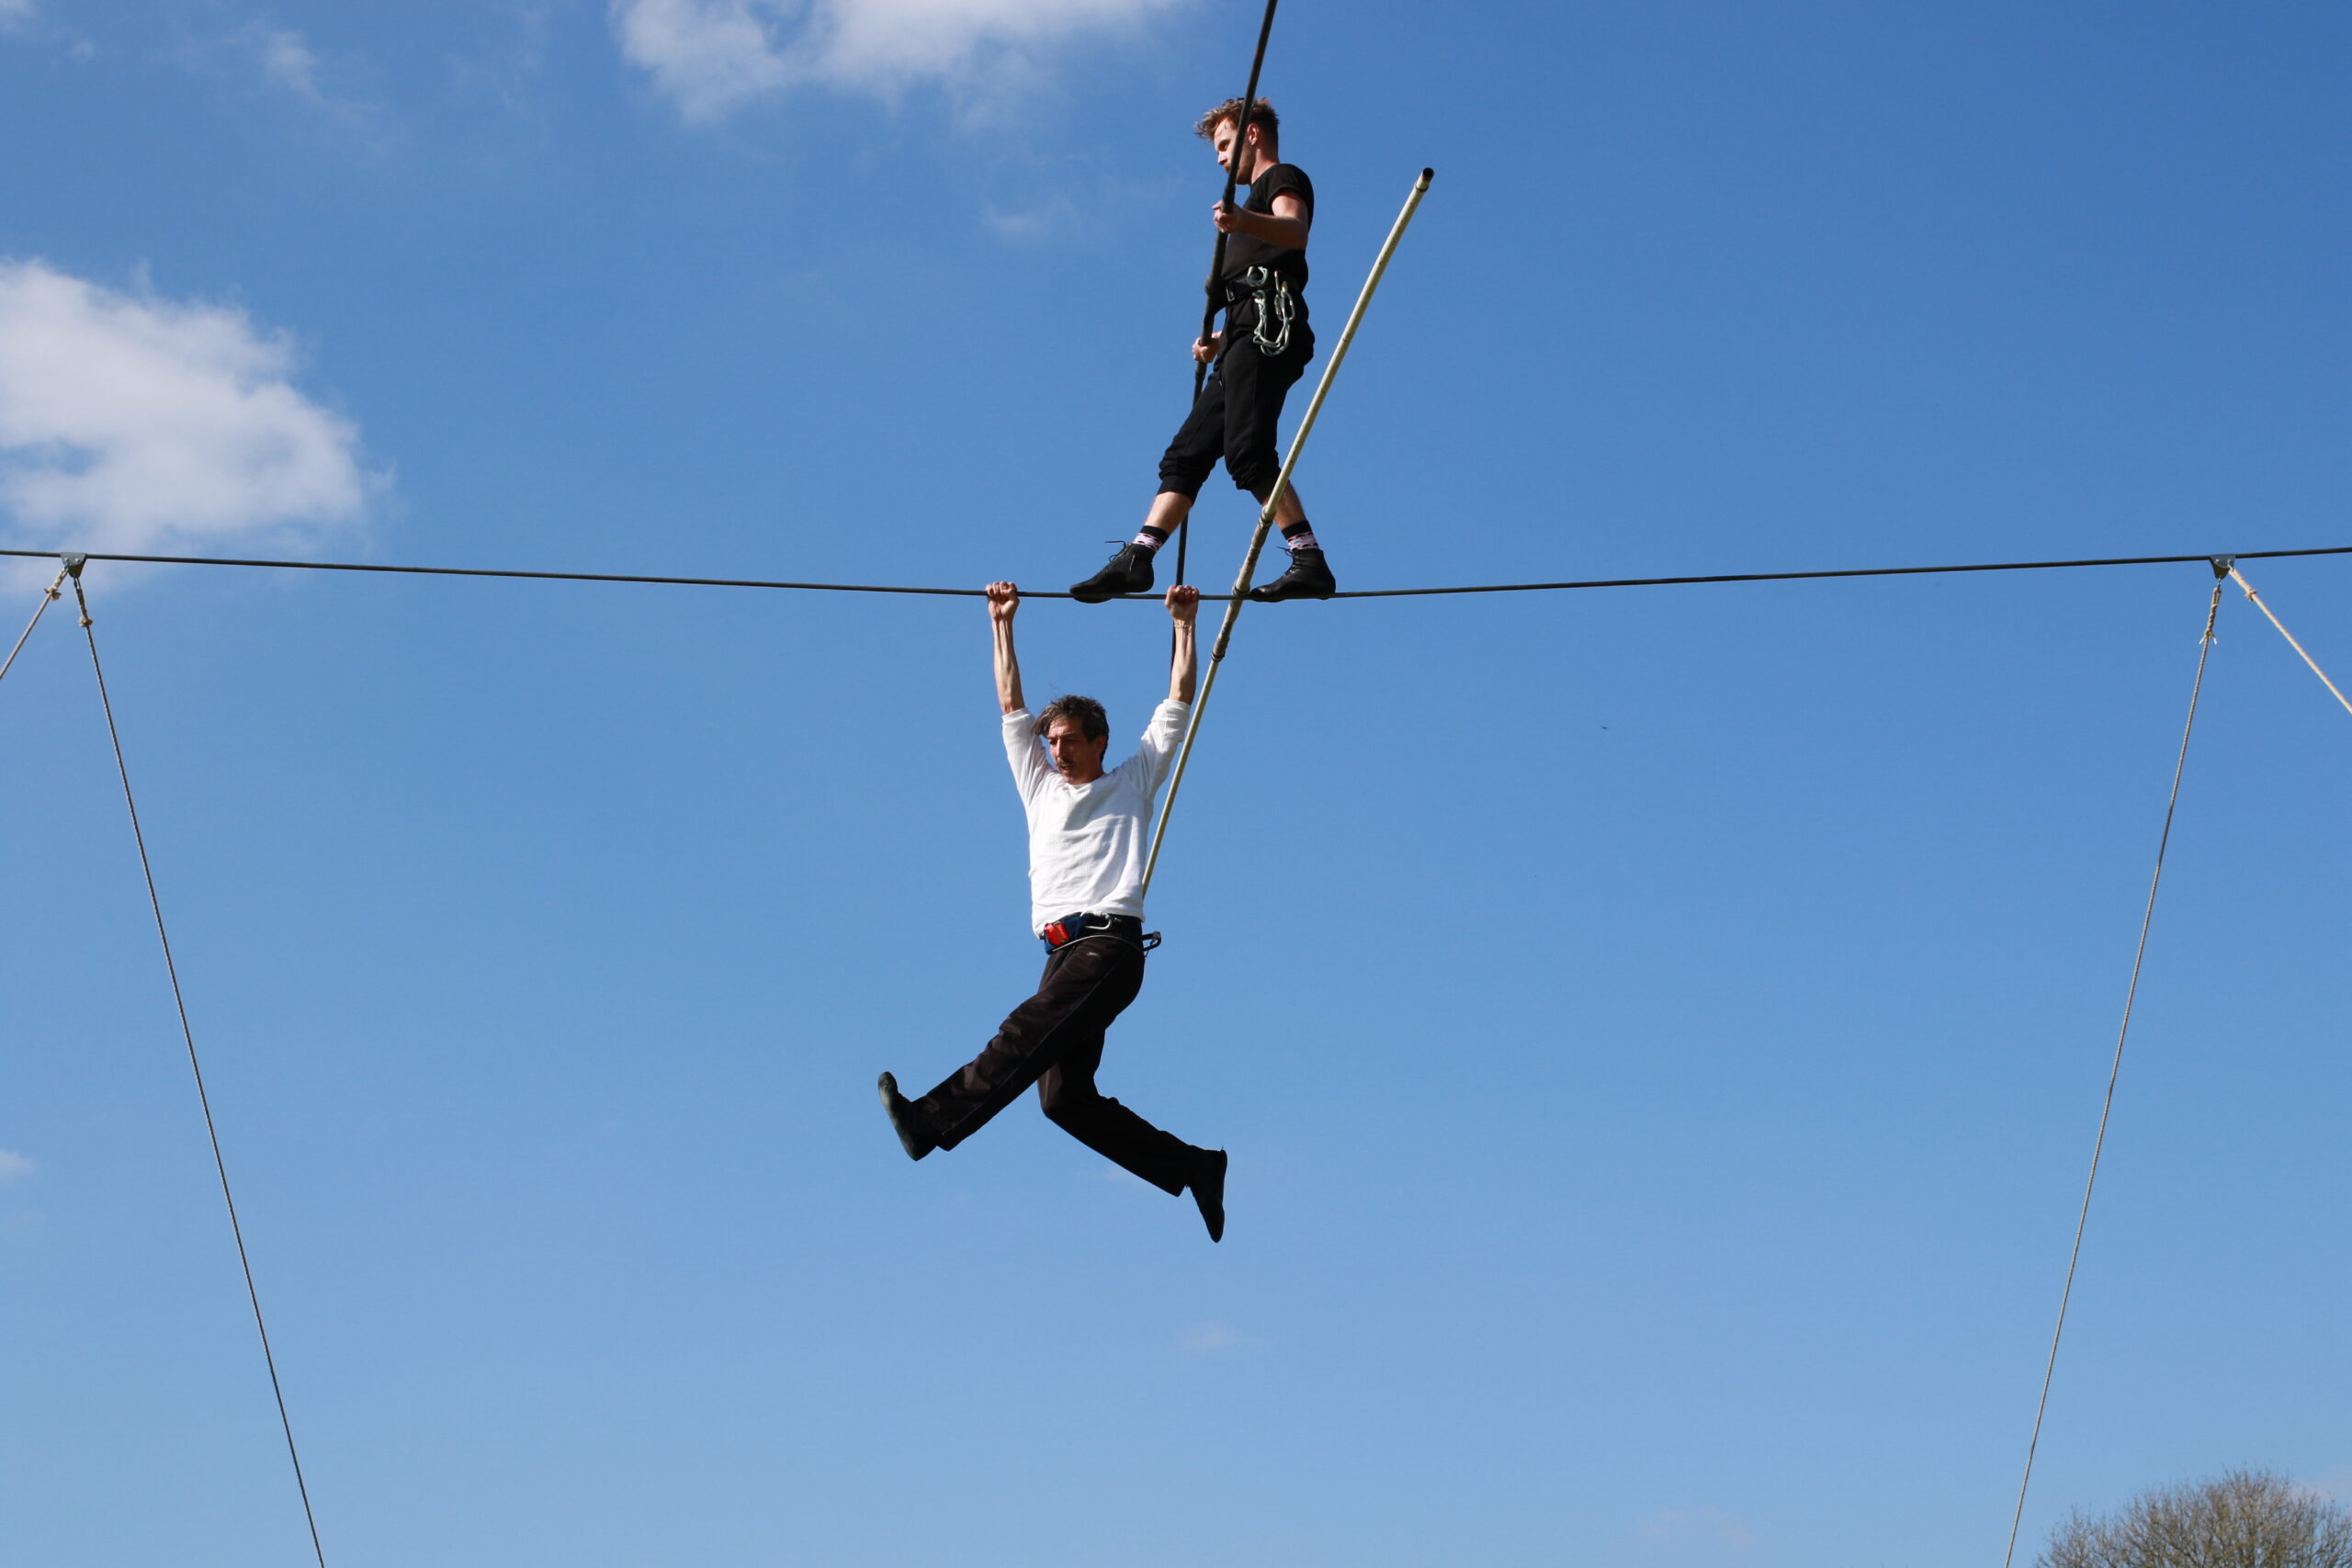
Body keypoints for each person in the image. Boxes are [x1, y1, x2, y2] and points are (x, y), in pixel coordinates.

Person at [876, 580, 1229, 1241]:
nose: (1057, 751)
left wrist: (1184, 624)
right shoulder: (1037, 785)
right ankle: (1195, 1166)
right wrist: (1001, 623)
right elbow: (1011, 704)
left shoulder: (1133, 780)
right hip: (1062, 953)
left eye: (1069, 740)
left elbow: (1178, 702)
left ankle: (929, 1122)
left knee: (1022, 1030)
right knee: (1063, 1099)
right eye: (1052, 742)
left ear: (1099, 741)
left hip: (1109, 946)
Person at [1070, 96, 1332, 606]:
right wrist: (1218, 340)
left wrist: (1243, 222)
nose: (1220, 159)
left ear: (1253, 134)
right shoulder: (1247, 211)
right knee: (1185, 455)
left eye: (1225, 145)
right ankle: (1138, 556)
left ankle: (1309, 560)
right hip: (1240, 334)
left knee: (1248, 454)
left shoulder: (1281, 179)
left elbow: (1296, 231)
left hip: (1266, 330)